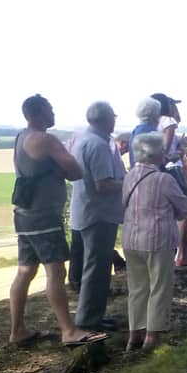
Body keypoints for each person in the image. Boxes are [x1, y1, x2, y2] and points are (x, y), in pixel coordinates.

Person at [6, 94, 106, 348]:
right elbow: (76, 172)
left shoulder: (21, 136)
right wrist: (59, 168)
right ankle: (68, 330)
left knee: (26, 271)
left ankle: (17, 330)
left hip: (24, 214)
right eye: (50, 109)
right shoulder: (46, 140)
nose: (53, 113)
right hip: (44, 216)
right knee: (56, 271)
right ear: (39, 113)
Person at [121, 132, 187, 352]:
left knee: (137, 288)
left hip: (131, 239)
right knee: (159, 287)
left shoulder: (129, 175)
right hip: (158, 240)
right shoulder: (164, 179)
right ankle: (152, 337)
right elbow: (185, 209)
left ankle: (134, 335)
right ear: (155, 154)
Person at [67, 100, 125, 333]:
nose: (115, 119)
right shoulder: (98, 145)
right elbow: (104, 185)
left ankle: (91, 315)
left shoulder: (82, 138)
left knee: (93, 267)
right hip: (98, 213)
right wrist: (129, 182)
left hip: (86, 210)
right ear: (105, 119)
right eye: (113, 115)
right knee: (97, 269)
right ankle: (90, 319)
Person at [151, 93, 187, 268]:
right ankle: (183, 254)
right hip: (173, 169)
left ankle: (173, 254)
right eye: (174, 104)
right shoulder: (169, 122)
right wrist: (179, 151)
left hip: (155, 173)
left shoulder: (152, 122)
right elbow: (164, 152)